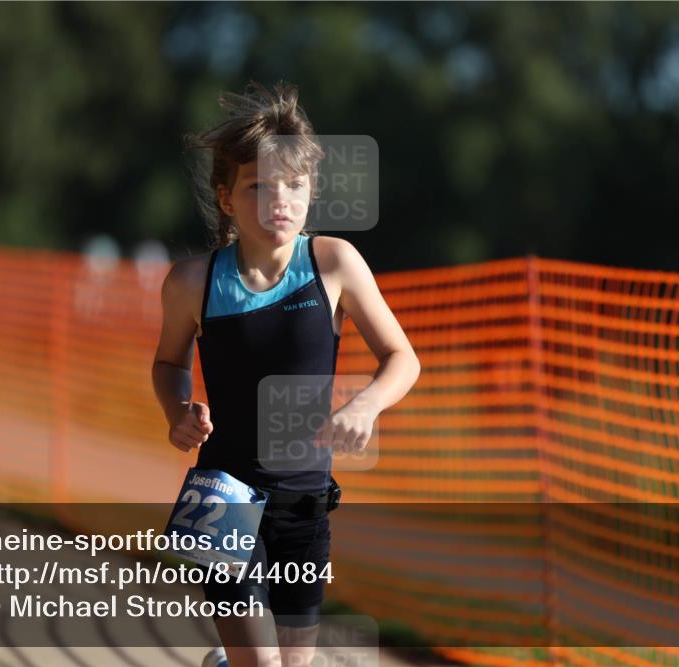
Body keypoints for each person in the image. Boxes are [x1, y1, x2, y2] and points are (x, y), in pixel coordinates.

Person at [152, 81, 420, 667]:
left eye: (294, 186)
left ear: (310, 192)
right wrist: (178, 412)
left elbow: (403, 358)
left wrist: (365, 406)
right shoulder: (193, 282)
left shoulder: (334, 264)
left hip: (304, 503)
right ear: (226, 198)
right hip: (224, 497)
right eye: (258, 187)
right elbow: (169, 362)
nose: (279, 201)